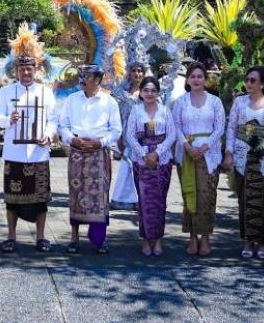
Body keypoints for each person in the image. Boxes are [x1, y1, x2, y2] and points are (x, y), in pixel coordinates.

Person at [0, 55, 57, 253]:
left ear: (36, 69)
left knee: (40, 199)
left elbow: (53, 119)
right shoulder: (6, 91)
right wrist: (8, 120)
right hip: (15, 153)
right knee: (12, 199)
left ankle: (41, 237)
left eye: (30, 69)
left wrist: (48, 135)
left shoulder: (46, 92)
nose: (26, 73)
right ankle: (11, 236)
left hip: (38, 153)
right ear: (16, 70)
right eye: (22, 69)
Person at [58, 64, 122, 254]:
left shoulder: (109, 102)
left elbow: (116, 130)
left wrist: (100, 142)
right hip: (77, 152)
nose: (82, 79)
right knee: (76, 194)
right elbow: (63, 125)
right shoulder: (71, 100)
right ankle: (74, 238)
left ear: (97, 79)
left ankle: (99, 239)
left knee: (99, 196)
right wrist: (73, 139)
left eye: (86, 76)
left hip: (99, 154)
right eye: (81, 75)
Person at [223, 66, 264, 260]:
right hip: (243, 158)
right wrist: (229, 153)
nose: (248, 83)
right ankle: (248, 241)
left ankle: (263, 242)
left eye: (253, 80)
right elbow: (232, 128)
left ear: (263, 83)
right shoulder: (239, 103)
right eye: (247, 79)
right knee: (245, 201)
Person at [171, 62, 226, 256]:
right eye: (192, 76)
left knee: (207, 196)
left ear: (205, 79)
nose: (196, 80)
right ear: (187, 79)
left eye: (199, 76)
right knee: (189, 195)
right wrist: (187, 146)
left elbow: (219, 128)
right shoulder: (180, 102)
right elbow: (175, 126)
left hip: (209, 154)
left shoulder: (215, 102)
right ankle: (192, 238)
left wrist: (204, 146)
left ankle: (205, 238)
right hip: (186, 153)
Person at [125, 75, 176, 256]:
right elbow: (130, 136)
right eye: (146, 90)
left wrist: (156, 153)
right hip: (142, 161)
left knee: (160, 201)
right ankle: (146, 240)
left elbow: (171, 135)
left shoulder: (164, 111)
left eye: (153, 90)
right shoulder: (136, 111)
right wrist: (144, 154)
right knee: (145, 202)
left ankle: (159, 240)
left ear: (158, 93)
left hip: (162, 161)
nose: (149, 93)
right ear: (140, 92)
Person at [110, 62, 144, 210]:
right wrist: (120, 137)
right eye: (134, 71)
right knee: (126, 165)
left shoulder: (148, 92)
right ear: (129, 73)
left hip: (143, 134)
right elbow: (119, 115)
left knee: (141, 166)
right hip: (126, 133)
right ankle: (123, 198)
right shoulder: (123, 91)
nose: (137, 74)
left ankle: (141, 198)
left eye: (140, 71)